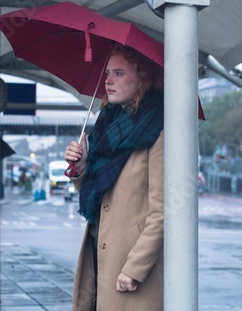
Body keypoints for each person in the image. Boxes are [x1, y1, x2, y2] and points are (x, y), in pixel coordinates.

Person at [64, 44, 165, 311]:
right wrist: (82, 166)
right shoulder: (107, 125)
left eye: (119, 73)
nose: (108, 80)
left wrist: (135, 268)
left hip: (129, 265)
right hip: (99, 252)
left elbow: (163, 212)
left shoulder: (158, 130)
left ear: (143, 77)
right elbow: (99, 194)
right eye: (107, 72)